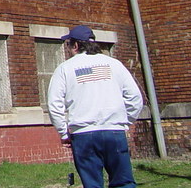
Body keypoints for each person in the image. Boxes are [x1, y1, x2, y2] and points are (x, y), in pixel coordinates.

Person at [47, 25, 144, 188]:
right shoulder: (114, 64)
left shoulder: (65, 69)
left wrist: (63, 132)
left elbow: (54, 104)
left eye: (68, 44)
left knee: (92, 184)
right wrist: (124, 122)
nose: (68, 49)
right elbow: (135, 98)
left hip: (83, 134)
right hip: (114, 132)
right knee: (124, 182)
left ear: (76, 45)